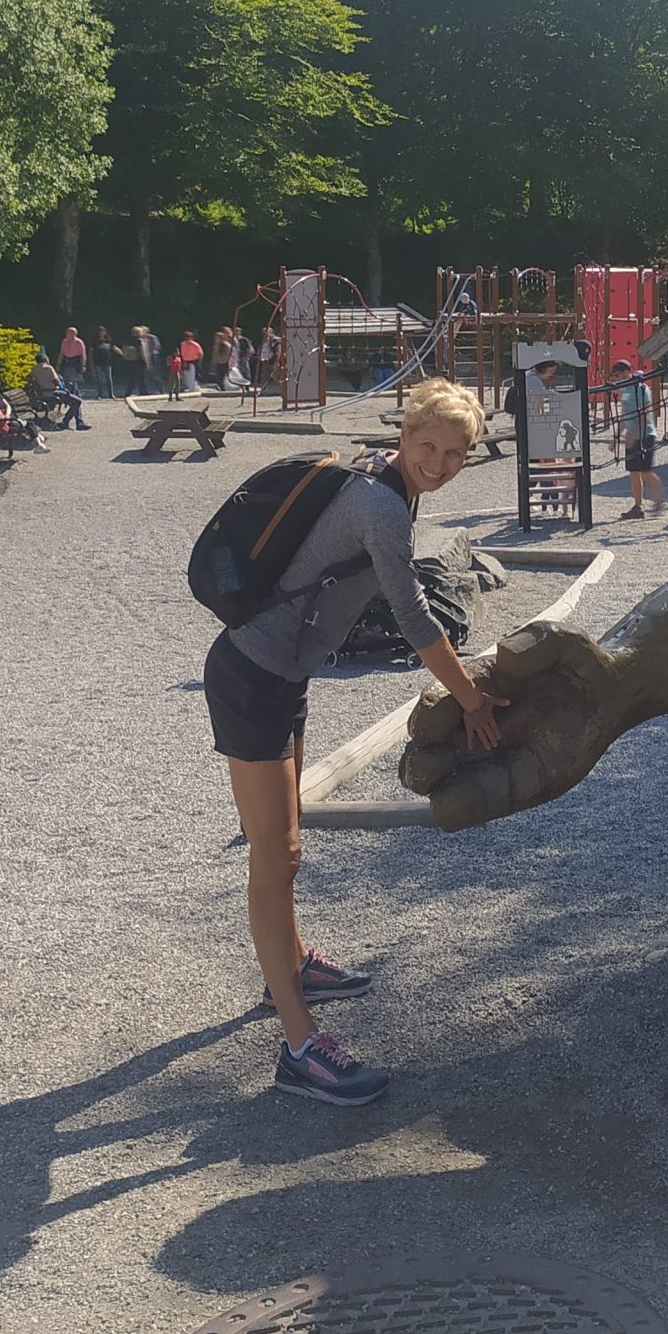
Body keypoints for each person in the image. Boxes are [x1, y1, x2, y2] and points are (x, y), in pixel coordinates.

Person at [204, 378, 505, 1106]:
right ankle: (300, 1049)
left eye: (454, 455)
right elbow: (415, 618)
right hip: (252, 678)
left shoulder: (390, 483)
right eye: (427, 446)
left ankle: (292, 966)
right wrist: (472, 700)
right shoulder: (381, 505)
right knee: (275, 856)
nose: (438, 464)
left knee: (287, 846)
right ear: (403, 435)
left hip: (284, 677)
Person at [611, 361, 663, 519]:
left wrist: (634, 435)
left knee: (645, 471)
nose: (617, 379)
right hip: (632, 436)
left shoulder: (640, 388)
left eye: (618, 375)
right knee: (633, 472)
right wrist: (616, 437)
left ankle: (659, 501)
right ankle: (637, 507)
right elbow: (623, 415)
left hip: (645, 435)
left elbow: (643, 414)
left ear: (626, 372)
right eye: (615, 376)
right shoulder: (624, 390)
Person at [90, 325, 116, 400]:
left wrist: (123, 354)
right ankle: (99, 394)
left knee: (109, 379)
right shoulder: (95, 341)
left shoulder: (108, 340)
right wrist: (91, 362)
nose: (102, 333)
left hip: (107, 362)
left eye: (103, 331)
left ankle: (111, 394)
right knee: (99, 379)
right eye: (101, 331)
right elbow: (91, 352)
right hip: (98, 362)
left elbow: (114, 348)